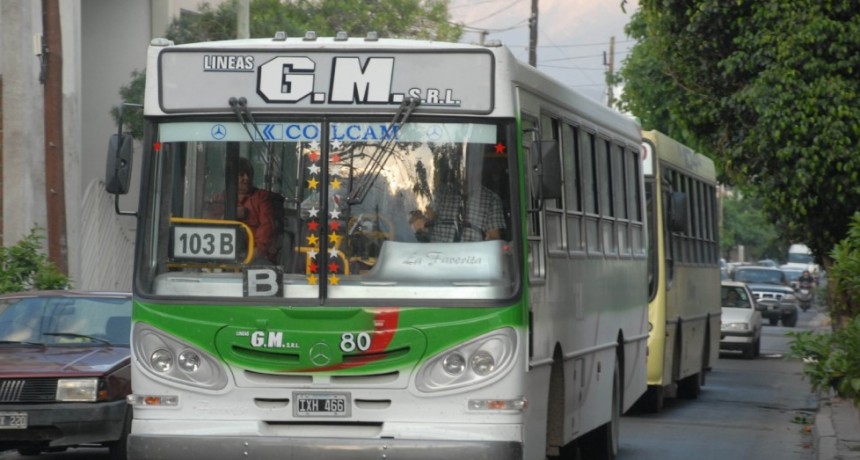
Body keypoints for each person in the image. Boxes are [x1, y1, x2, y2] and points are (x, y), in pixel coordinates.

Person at [409, 151, 505, 242]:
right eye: (462, 164)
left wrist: (488, 239)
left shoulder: (492, 200)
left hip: (472, 253)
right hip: (437, 251)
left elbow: (494, 238)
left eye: (472, 165)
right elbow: (425, 216)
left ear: (479, 168)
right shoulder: (440, 192)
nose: (466, 169)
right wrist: (422, 219)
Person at [206, 158, 279, 264]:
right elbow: (208, 224)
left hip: (253, 256)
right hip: (221, 254)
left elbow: (267, 228)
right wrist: (230, 215)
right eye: (241, 174)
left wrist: (254, 253)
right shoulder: (220, 199)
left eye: (249, 174)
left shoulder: (261, 197)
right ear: (231, 177)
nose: (246, 178)